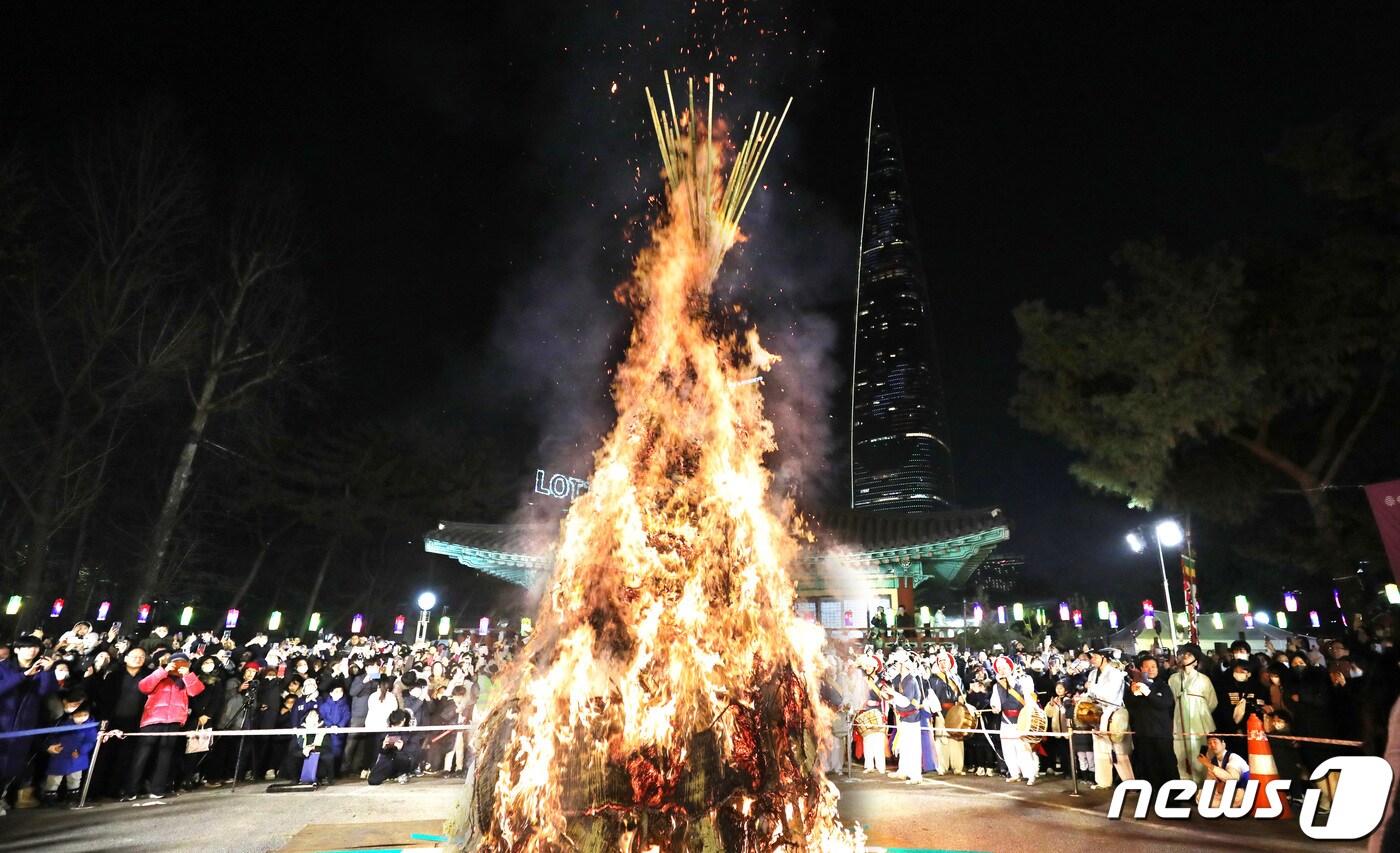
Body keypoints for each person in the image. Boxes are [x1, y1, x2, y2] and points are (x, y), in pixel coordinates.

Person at [118, 651, 205, 800]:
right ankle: (130, 790)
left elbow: (196, 691)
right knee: (142, 755)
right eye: (175, 662)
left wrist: (187, 674)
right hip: (152, 719)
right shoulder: (159, 676)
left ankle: (157, 789)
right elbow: (143, 686)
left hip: (174, 721)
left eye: (182, 663)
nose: (178, 665)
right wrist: (163, 670)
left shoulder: (185, 679)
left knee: (165, 756)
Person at [0, 636, 59, 814]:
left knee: (12, 767)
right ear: (16, 649)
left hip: (24, 726)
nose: (32, 651)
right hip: (3, 724)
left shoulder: (42, 670)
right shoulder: (3, 667)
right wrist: (24, 675)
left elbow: (46, 693)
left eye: (35, 648)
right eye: (27, 648)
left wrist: (48, 671)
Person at [1168, 643, 1218, 783]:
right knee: (1181, 752)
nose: (1185, 657)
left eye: (1189, 654)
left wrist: (1201, 715)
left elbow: (1212, 702)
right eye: (1183, 654)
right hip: (1180, 722)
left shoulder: (1204, 680)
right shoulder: (1173, 679)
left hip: (1200, 724)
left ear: (1196, 661)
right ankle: (1187, 784)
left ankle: (1204, 783)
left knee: (1200, 751)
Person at [1125, 654, 1177, 787]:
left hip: (1161, 735)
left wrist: (1148, 693)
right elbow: (1129, 706)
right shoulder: (1135, 687)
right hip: (1143, 735)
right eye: (1147, 666)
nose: (1150, 669)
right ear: (1141, 669)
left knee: (1167, 767)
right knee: (1149, 769)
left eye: (1153, 666)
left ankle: (1173, 797)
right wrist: (1133, 693)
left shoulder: (1164, 687)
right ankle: (1153, 796)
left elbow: (1164, 704)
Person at [1085, 647, 1133, 789]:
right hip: (1098, 713)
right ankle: (1103, 781)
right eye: (1091, 657)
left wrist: (1092, 687)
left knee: (1119, 750)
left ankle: (1130, 782)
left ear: (1104, 657)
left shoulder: (1115, 673)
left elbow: (1110, 695)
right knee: (1100, 749)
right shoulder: (1093, 673)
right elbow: (1090, 694)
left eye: (1095, 657)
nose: (1092, 660)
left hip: (1113, 713)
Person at [988, 655, 1038, 785]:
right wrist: (995, 707)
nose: (1002, 670)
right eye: (999, 668)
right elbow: (995, 702)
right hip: (1005, 720)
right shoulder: (997, 686)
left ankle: (1030, 774)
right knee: (1008, 748)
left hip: (1021, 719)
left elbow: (1029, 701)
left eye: (1004, 667)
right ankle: (1014, 773)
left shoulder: (1022, 683)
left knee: (1023, 748)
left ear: (1010, 668)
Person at [39, 701, 98, 805]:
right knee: (53, 779)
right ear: (72, 715)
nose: (82, 717)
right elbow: (53, 736)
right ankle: (49, 799)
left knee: (74, 779)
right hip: (59, 757)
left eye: (85, 715)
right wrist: (53, 745)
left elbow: (90, 741)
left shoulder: (90, 727)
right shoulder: (62, 725)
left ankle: (72, 798)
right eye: (79, 715)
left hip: (76, 758)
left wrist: (81, 751)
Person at [886, 649, 928, 784]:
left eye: (898, 664)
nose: (896, 666)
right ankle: (903, 770)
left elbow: (905, 701)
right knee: (904, 746)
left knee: (912, 747)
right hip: (904, 718)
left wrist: (892, 693)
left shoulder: (910, 681)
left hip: (911, 718)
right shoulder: (901, 680)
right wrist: (889, 696)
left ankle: (915, 775)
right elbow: (899, 700)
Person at [928, 651, 965, 776]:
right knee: (941, 739)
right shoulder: (932, 679)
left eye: (946, 661)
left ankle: (958, 766)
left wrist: (962, 700)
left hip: (955, 712)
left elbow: (962, 695)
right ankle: (942, 766)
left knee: (956, 739)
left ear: (950, 663)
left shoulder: (956, 678)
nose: (943, 664)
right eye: (941, 661)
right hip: (940, 712)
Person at [1196, 732, 1250, 810]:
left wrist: (1209, 765)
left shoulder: (1233, 757)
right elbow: (1210, 781)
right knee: (1200, 795)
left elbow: (1233, 778)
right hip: (1226, 790)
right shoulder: (1213, 761)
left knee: (1238, 796)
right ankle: (1222, 803)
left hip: (1242, 788)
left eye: (1215, 742)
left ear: (1223, 744)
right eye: (1209, 743)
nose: (1212, 745)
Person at [367, 709, 421, 785]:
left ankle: (402, 773)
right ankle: (392, 774)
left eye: (397, 725)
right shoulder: (387, 729)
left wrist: (402, 748)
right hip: (389, 758)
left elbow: (414, 750)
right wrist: (384, 747)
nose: (394, 727)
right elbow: (381, 752)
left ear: (404, 720)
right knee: (373, 780)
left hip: (406, 759)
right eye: (393, 725)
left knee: (399, 758)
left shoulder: (412, 731)